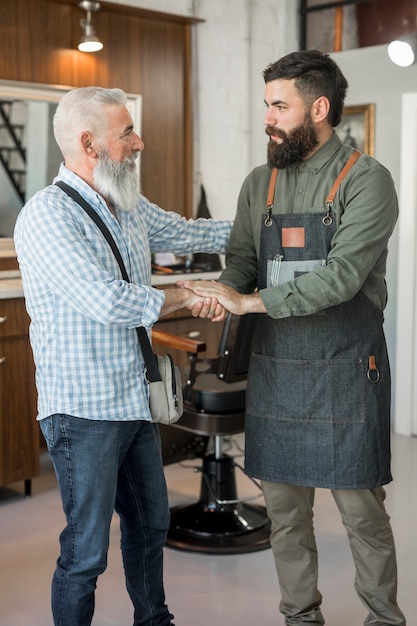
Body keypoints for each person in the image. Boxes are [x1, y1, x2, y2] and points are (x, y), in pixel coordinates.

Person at [180, 50, 406, 625]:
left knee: (363, 515)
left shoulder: (368, 180)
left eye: (280, 105)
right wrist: (220, 291)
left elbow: (341, 278)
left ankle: (384, 619)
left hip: (346, 370)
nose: (268, 118)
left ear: (319, 108)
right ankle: (299, 618)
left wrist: (247, 302)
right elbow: (240, 265)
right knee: (284, 514)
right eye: (266, 105)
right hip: (279, 368)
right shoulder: (261, 183)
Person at [14, 86, 231, 626]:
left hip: (133, 400)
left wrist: (262, 224)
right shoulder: (47, 217)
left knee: (150, 526)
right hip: (83, 410)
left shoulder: (125, 202)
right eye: (127, 132)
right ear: (89, 142)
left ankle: (154, 621)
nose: (140, 142)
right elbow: (105, 300)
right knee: (86, 554)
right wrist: (191, 293)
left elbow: (188, 229)